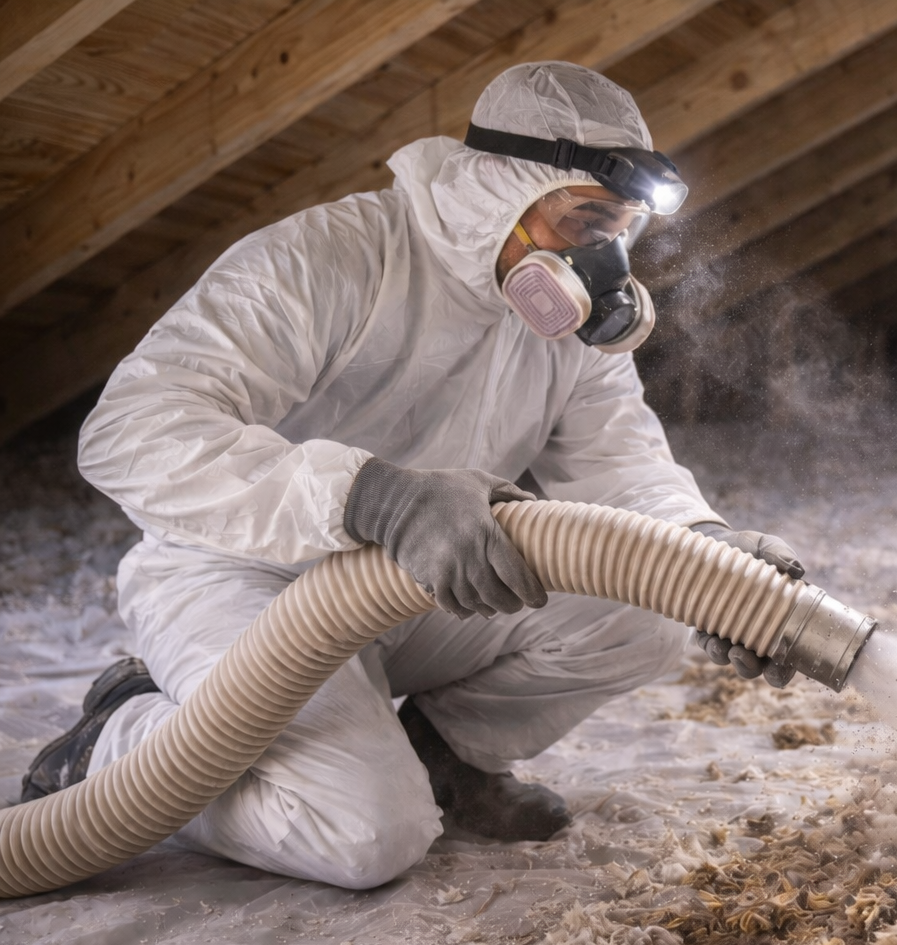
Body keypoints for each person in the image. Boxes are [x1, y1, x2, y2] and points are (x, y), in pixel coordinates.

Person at [20, 62, 802, 890]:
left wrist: (708, 553)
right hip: (244, 579)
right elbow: (130, 430)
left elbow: (621, 465)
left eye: (619, 229)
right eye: (582, 222)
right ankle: (126, 741)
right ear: (502, 186)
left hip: (425, 578)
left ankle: (452, 763)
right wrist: (372, 495)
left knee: (649, 606)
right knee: (365, 836)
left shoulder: (568, 330)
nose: (600, 257)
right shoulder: (330, 258)